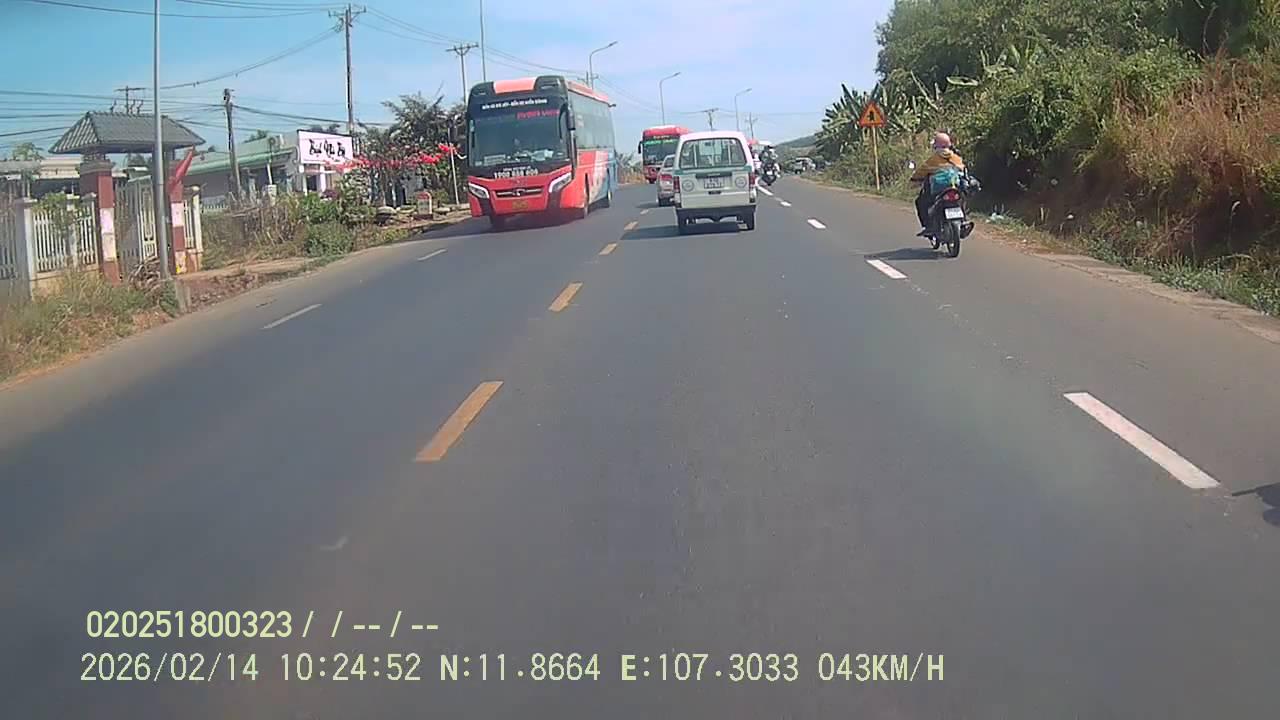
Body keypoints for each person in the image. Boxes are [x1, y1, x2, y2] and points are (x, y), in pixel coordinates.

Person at [910, 132, 966, 236]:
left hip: (938, 191)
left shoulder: (933, 159)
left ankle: (928, 226)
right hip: (954, 187)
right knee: (961, 200)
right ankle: (963, 222)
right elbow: (962, 169)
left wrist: (914, 179)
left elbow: (921, 171)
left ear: (936, 145)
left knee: (921, 202)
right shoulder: (956, 157)